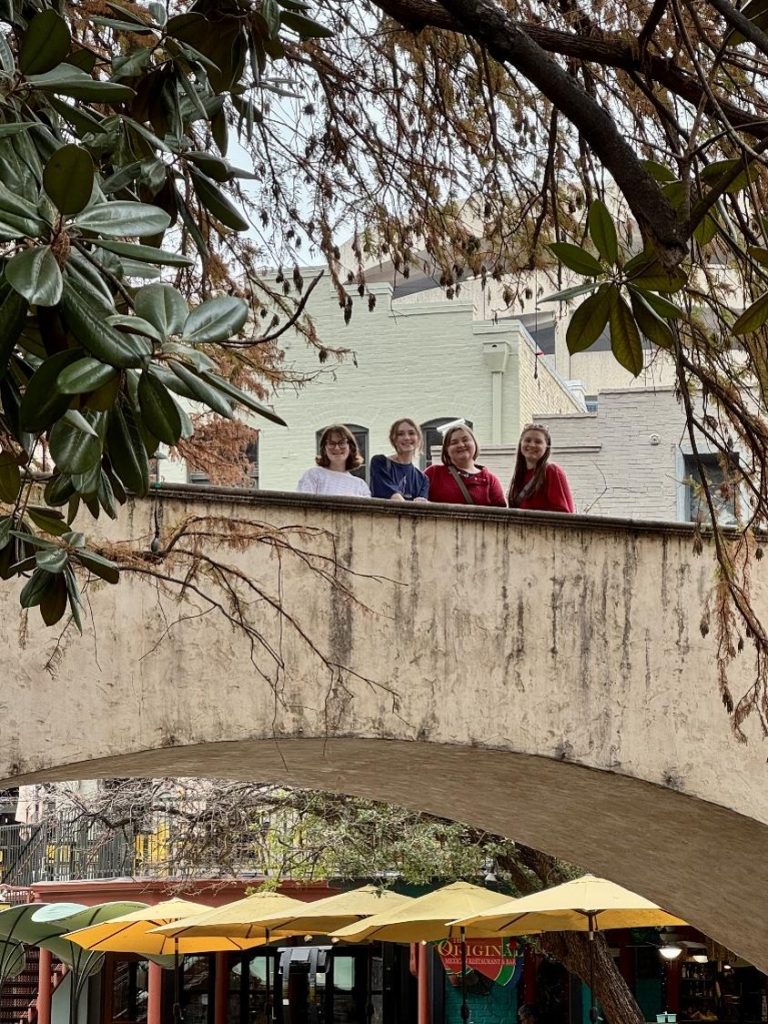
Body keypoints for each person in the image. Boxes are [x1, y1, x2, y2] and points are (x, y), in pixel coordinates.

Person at [425, 422, 506, 506]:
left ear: (474, 443)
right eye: (454, 442)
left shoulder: (491, 480)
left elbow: (501, 515)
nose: (461, 445)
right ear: (446, 450)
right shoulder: (433, 474)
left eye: (465, 440)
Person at [507, 422, 575, 512]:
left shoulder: (552, 471)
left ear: (546, 447)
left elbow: (561, 512)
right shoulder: (520, 475)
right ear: (520, 444)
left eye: (538, 442)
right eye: (527, 440)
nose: (532, 445)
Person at [296, 424, 371, 497]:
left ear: (350, 447)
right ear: (324, 448)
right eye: (331, 443)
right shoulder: (313, 475)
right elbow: (304, 507)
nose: (337, 448)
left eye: (342, 443)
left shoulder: (360, 485)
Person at [369, 418, 429, 501]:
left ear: (418, 438)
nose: (407, 438)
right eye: (400, 434)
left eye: (411, 433)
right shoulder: (380, 463)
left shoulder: (422, 479)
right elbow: (394, 498)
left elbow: (421, 507)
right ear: (394, 439)